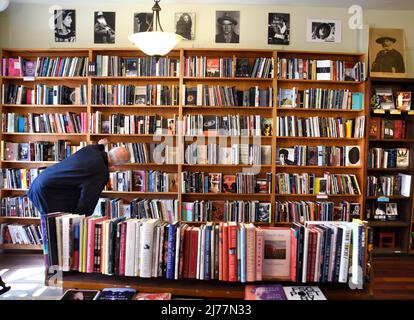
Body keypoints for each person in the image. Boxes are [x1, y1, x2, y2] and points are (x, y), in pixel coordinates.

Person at [27, 141, 130, 216]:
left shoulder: (91, 149)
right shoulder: (101, 173)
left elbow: (99, 146)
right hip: (49, 193)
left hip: (38, 182)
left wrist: (102, 144)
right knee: (57, 231)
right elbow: (87, 201)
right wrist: (81, 218)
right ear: (117, 166)